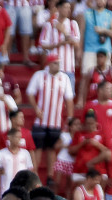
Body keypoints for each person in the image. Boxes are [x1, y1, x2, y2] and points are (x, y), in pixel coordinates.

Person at [27, 53, 74, 181]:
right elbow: (30, 93)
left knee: (52, 148)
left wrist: (69, 119)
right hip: (41, 120)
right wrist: (36, 108)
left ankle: (50, 176)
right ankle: (34, 174)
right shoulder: (39, 75)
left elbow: (69, 99)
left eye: (59, 63)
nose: (58, 65)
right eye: (55, 63)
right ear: (49, 63)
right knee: (37, 147)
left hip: (56, 121)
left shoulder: (64, 78)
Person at [38, 0, 80, 87]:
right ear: (59, 9)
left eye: (69, 8)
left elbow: (77, 44)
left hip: (68, 67)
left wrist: (64, 32)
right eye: (65, 7)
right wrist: (58, 44)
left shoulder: (73, 24)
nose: (68, 10)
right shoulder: (49, 25)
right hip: (53, 68)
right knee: (53, 95)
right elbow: (43, 45)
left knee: (69, 96)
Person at [68, 111, 110, 192]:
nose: (89, 125)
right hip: (80, 169)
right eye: (87, 123)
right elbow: (71, 151)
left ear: (96, 123)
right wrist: (82, 143)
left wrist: (97, 145)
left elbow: (108, 153)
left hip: (98, 170)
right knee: (77, 191)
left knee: (98, 193)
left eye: (91, 123)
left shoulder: (102, 135)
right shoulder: (79, 134)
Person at [0, 127, 34, 197]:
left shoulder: (25, 153)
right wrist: (0, 171)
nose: (19, 140)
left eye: (20, 137)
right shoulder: (0, 154)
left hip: (23, 190)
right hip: (6, 190)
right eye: (17, 137)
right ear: (9, 137)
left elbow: (30, 171)